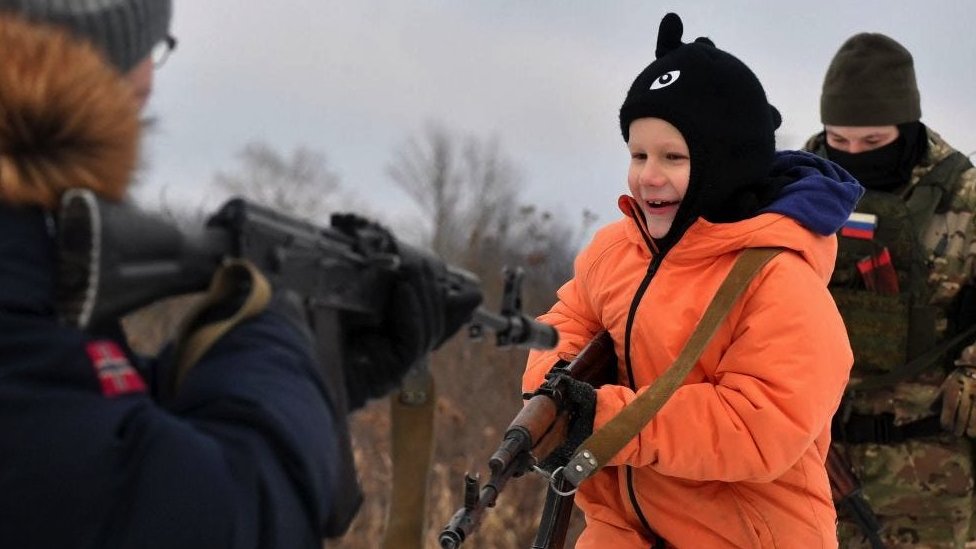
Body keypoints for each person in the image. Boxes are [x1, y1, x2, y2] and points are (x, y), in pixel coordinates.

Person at [0, 1, 478, 548]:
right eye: (148, 52)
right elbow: (210, 520)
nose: (151, 83)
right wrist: (279, 342)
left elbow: (89, 429)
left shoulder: (27, 244)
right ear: (87, 57)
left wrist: (318, 379)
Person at [522, 12, 863, 548]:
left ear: (723, 165)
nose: (648, 176)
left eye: (673, 157)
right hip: (620, 531)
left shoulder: (779, 278)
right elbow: (565, 321)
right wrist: (554, 392)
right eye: (638, 155)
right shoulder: (616, 249)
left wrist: (604, 419)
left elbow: (758, 426)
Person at [803, 32, 976, 548]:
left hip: (932, 478)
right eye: (840, 140)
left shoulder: (965, 196)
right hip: (811, 467)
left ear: (907, 125)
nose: (854, 154)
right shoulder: (793, 188)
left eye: (873, 143)